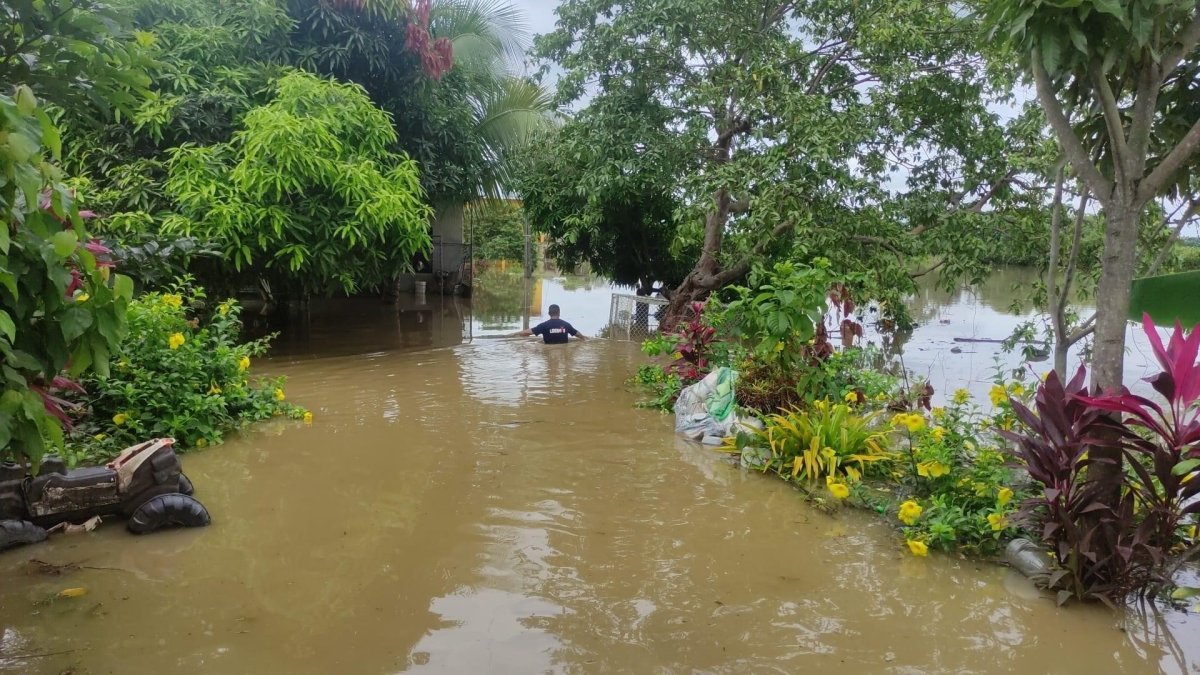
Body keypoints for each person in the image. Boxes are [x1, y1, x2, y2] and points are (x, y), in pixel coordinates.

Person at [515, 304, 586, 344]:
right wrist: (585, 338)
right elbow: (578, 334)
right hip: (563, 349)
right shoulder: (566, 325)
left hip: (548, 349)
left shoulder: (543, 326)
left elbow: (527, 332)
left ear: (549, 313)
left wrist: (515, 334)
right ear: (559, 313)